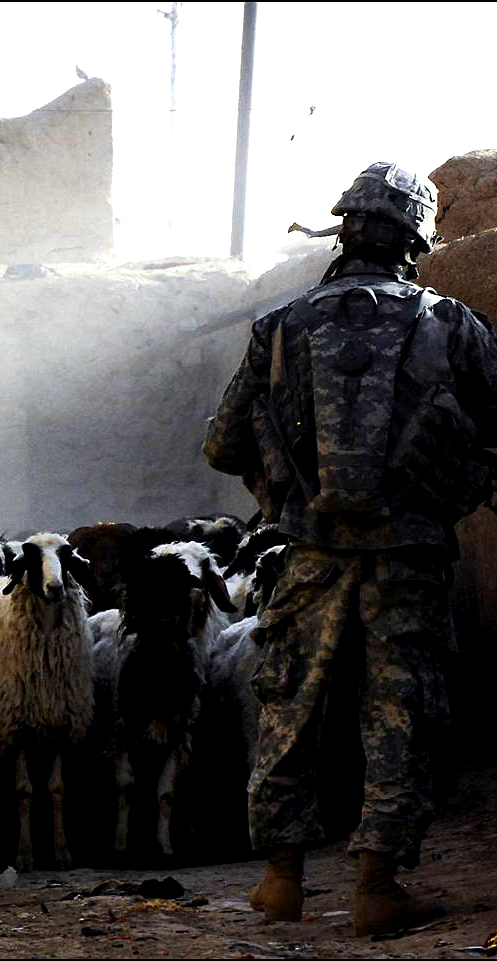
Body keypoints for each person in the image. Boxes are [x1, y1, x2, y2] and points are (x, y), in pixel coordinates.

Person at [204, 161, 497, 936]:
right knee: (402, 710)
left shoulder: (281, 326)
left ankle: (281, 879)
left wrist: (283, 485)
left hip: (308, 551)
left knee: (290, 703)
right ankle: (376, 885)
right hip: (411, 556)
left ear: (348, 229)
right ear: (415, 239)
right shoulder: (452, 324)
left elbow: (221, 443)